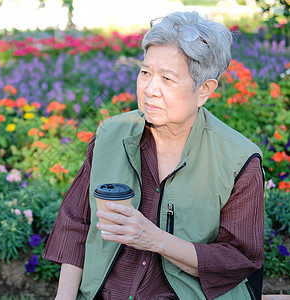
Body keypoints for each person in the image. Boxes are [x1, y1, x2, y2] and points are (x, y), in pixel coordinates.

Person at [43, 11, 264, 300]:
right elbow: (74, 225)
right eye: (145, 73)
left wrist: (155, 239)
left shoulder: (238, 160)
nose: (150, 90)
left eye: (168, 79)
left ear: (204, 90)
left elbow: (239, 259)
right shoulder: (111, 135)